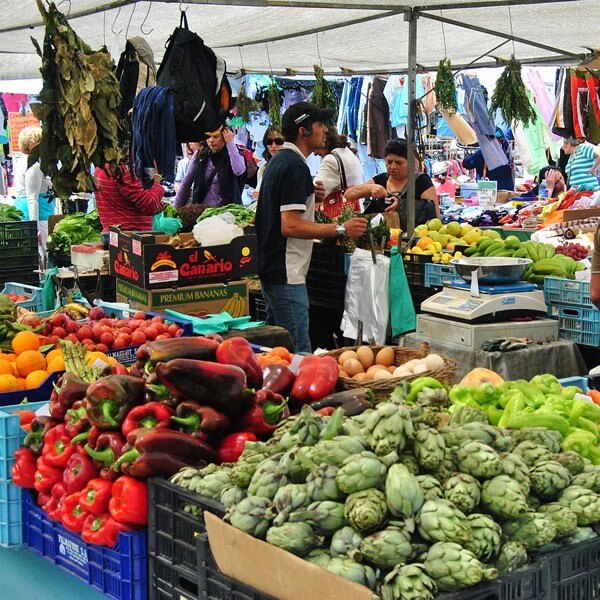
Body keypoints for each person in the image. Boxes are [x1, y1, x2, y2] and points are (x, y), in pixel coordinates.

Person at [255, 102, 368, 353]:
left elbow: (280, 209)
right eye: (319, 125)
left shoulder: (281, 162)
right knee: (298, 352)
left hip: (274, 269)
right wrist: (340, 229)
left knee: (274, 349)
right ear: (303, 131)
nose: (325, 130)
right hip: (287, 273)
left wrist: (309, 195)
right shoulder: (294, 166)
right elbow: (290, 225)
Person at [345, 139, 438, 227]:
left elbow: (434, 213)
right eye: (389, 162)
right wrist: (370, 188)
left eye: (399, 163)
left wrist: (402, 205)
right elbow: (348, 195)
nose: (392, 166)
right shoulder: (380, 180)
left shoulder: (421, 181)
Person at [174, 126, 246, 207]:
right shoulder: (200, 155)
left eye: (216, 137)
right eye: (208, 137)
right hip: (202, 210)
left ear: (224, 137)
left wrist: (230, 143)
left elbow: (239, 171)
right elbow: (186, 183)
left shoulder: (234, 154)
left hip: (227, 211)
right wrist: (175, 207)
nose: (211, 140)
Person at [12, 126, 55, 256]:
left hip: (36, 214)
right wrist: (34, 228)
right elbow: (32, 198)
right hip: (38, 216)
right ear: (33, 145)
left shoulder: (23, 161)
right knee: (43, 255)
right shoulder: (34, 165)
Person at [94, 163, 165, 237]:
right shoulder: (124, 170)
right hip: (129, 237)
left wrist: (154, 203)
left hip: (113, 235)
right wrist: (156, 179)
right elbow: (149, 206)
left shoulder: (101, 166)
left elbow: (124, 202)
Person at [314, 127, 364, 196]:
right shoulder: (348, 153)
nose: (315, 153)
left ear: (325, 142)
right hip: (353, 205)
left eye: (316, 147)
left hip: (342, 205)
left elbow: (315, 193)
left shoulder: (331, 160)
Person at [250, 127, 285, 202]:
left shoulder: (292, 166)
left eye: (278, 141)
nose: (273, 145)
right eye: (269, 141)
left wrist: (265, 195)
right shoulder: (263, 168)